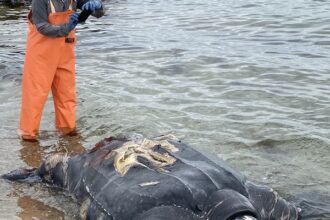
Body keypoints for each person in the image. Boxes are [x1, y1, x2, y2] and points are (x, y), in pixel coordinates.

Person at [17, 0, 105, 141]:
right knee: (34, 97)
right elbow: (41, 27)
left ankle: (68, 132)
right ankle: (28, 138)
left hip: (65, 53)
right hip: (40, 55)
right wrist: (66, 27)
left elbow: (99, 15)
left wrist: (98, 6)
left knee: (67, 94)